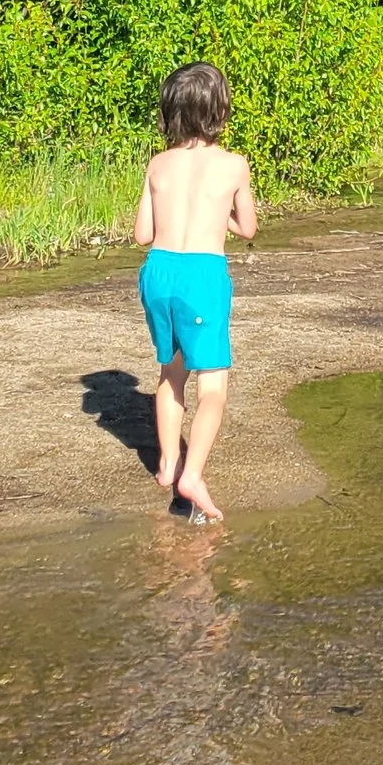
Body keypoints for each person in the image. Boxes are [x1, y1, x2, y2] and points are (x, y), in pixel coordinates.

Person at [134, 62, 257, 524]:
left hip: (158, 273)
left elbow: (142, 233)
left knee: (171, 369)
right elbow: (247, 228)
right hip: (202, 277)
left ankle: (168, 463)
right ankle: (193, 475)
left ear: (171, 111)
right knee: (214, 387)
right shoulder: (233, 164)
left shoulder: (158, 163)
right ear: (220, 110)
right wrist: (217, 215)